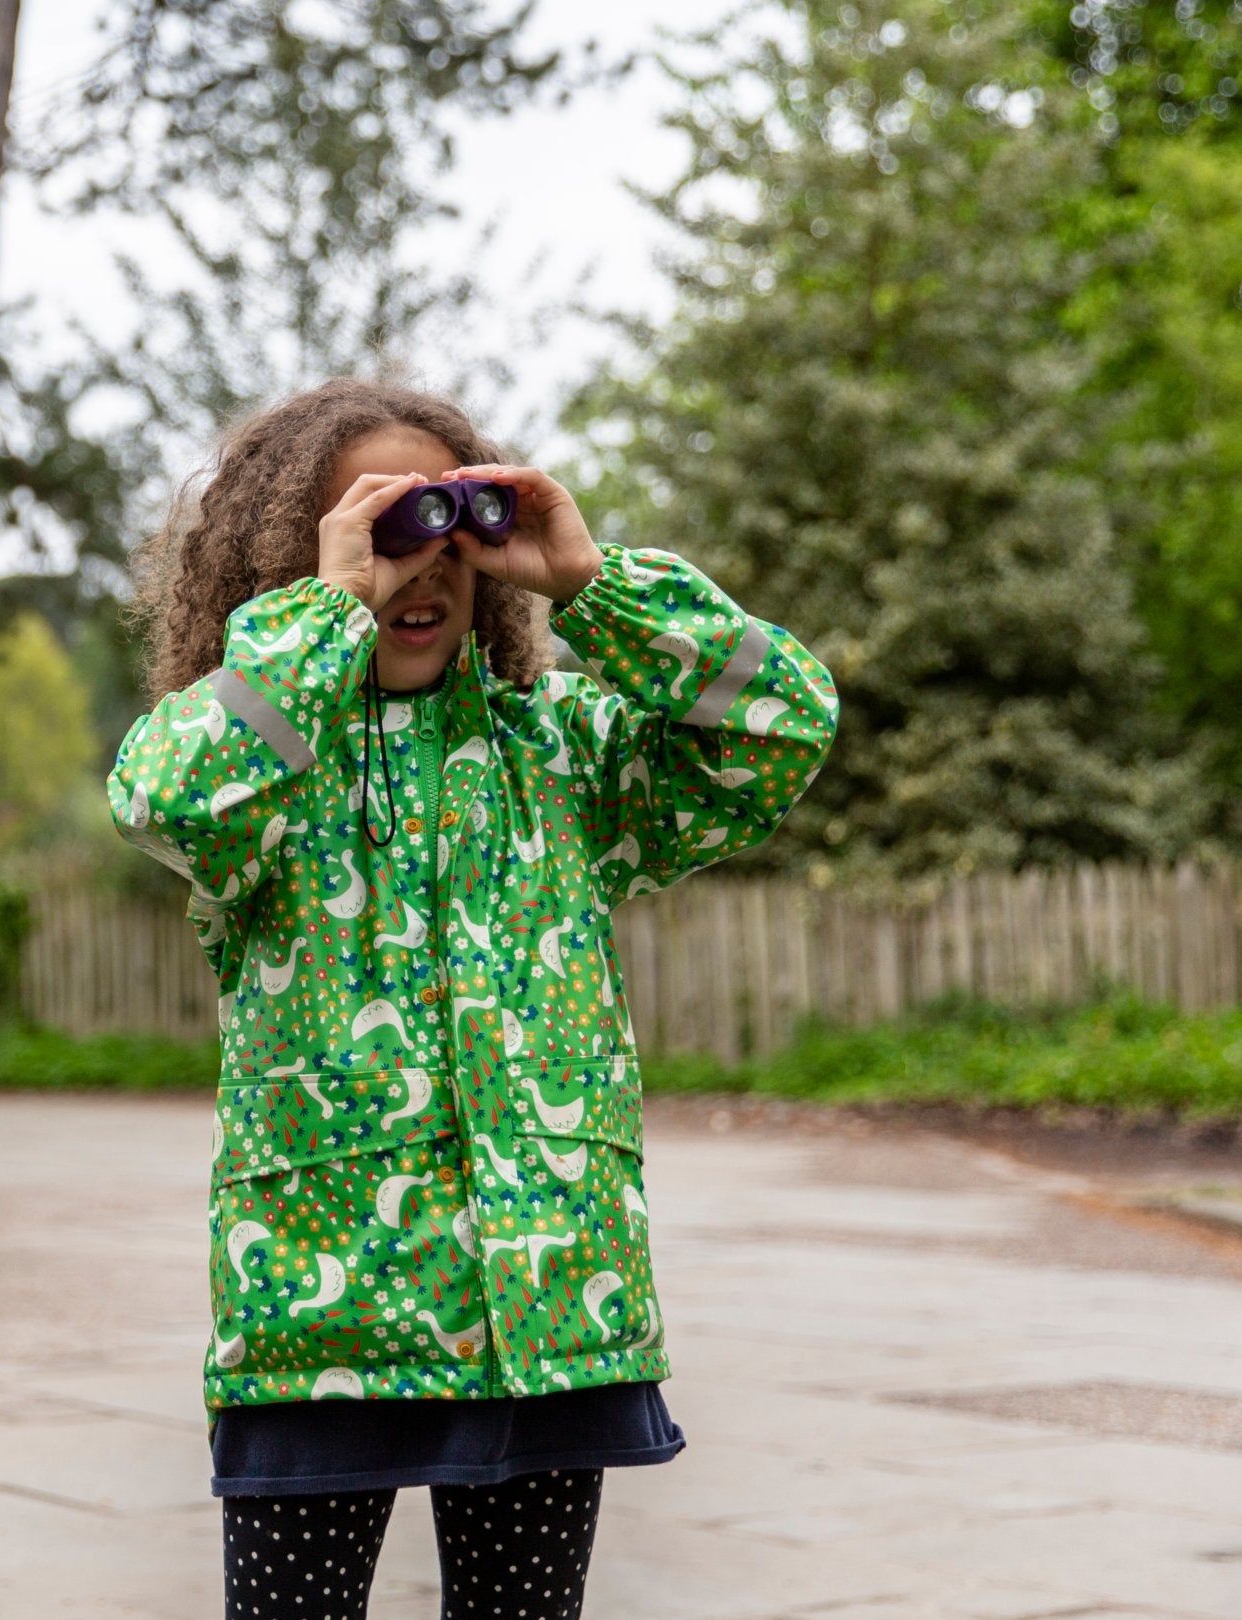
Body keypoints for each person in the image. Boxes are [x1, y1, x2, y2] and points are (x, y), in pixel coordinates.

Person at [109, 380, 838, 1619]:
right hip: (322, 1325)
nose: (420, 568)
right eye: (379, 529)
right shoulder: (259, 759)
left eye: (449, 528)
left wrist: (595, 584)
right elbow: (164, 803)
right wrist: (320, 619)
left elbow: (778, 725)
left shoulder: (561, 751)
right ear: (297, 565)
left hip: (549, 1313)